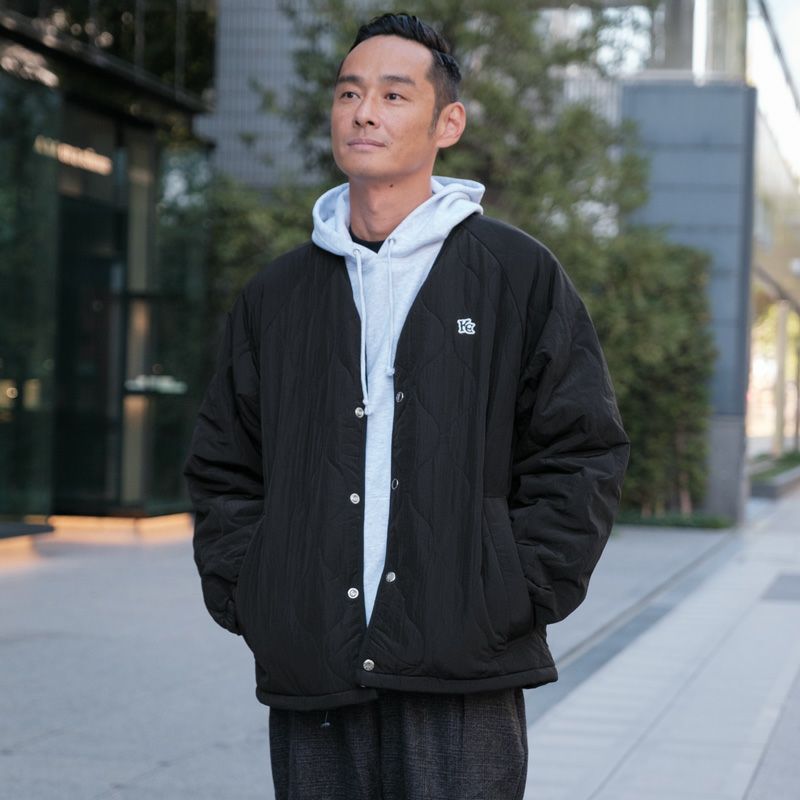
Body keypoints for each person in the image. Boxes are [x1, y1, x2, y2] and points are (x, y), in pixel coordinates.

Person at [183, 12, 630, 800]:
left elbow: (581, 448)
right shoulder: (277, 296)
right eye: (349, 93)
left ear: (446, 123)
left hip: (464, 667)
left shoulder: (516, 275)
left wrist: (517, 591)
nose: (364, 112)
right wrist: (258, 593)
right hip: (315, 670)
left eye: (393, 95)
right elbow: (225, 463)